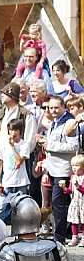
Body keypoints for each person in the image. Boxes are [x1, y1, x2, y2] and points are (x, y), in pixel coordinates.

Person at [43, 95, 78, 243]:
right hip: (53, 169)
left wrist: (49, 145)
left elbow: (74, 146)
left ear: (64, 107)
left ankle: (60, 236)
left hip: (63, 170)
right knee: (57, 202)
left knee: (59, 202)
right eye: (51, 108)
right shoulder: (54, 122)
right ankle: (65, 233)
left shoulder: (70, 122)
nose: (53, 110)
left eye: (56, 107)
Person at [0, 118, 31, 223]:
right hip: (7, 181)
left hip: (21, 181)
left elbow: (19, 161)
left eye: (16, 130)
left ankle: (21, 230)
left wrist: (13, 147)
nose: (13, 133)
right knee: (1, 207)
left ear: (20, 131)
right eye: (11, 130)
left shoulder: (24, 145)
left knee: (22, 207)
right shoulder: (3, 145)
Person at [61, 154, 84, 246]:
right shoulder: (72, 177)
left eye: (77, 166)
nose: (74, 168)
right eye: (73, 166)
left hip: (82, 202)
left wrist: (78, 186)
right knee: (74, 220)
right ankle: (75, 236)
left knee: (83, 221)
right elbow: (70, 190)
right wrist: (65, 189)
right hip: (75, 202)